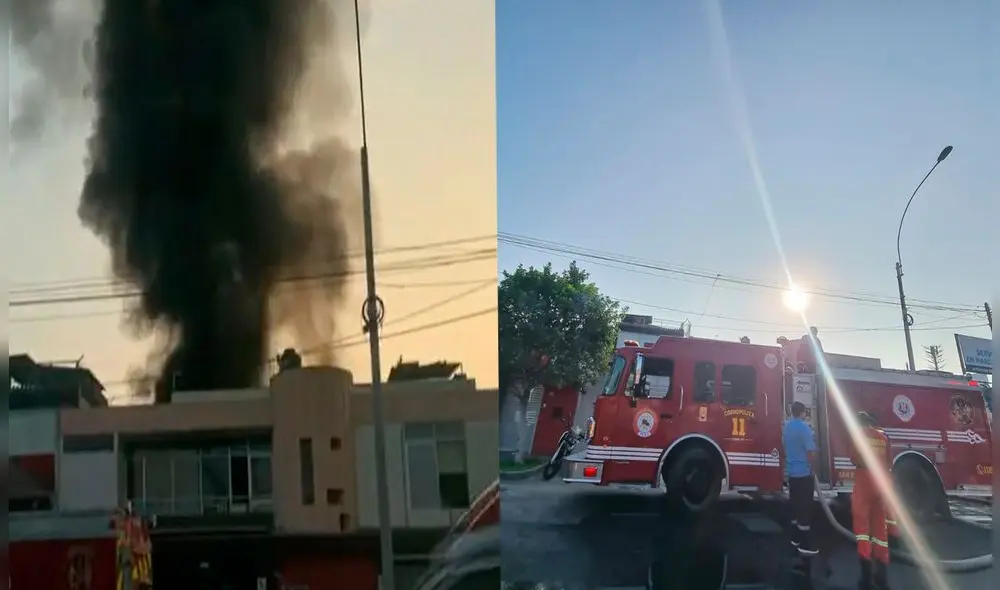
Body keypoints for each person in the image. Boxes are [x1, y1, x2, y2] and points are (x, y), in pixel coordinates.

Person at [851, 411, 891, 590]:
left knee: (861, 526)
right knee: (880, 527)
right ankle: (882, 574)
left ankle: (866, 577)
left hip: (864, 478)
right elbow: (888, 461)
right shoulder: (883, 437)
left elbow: (854, 458)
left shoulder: (857, 435)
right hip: (880, 480)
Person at [783, 401, 819, 555]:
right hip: (804, 474)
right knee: (804, 509)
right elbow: (811, 451)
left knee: (795, 507)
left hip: (792, 473)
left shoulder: (787, 427)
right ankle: (805, 545)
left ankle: (794, 539)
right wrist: (813, 469)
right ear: (803, 412)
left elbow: (784, 448)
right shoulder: (805, 428)